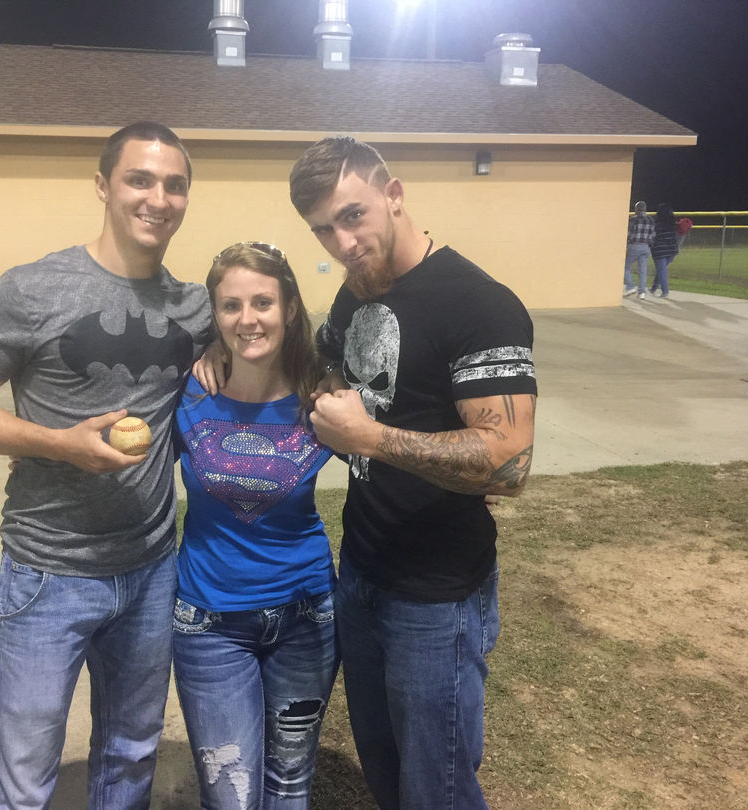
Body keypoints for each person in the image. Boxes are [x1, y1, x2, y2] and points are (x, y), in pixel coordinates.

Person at [0, 121, 211, 810]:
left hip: (150, 569)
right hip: (48, 570)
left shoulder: (195, 308)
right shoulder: (35, 289)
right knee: (25, 772)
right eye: (139, 180)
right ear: (103, 186)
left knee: (131, 753)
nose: (158, 198)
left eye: (174, 185)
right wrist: (59, 443)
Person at [291, 137, 536, 809]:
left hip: (437, 595)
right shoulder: (358, 292)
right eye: (323, 229)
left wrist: (369, 438)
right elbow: (325, 356)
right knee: (384, 767)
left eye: (353, 216)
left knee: (437, 787)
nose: (342, 242)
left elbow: (509, 462)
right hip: (361, 569)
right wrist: (329, 384)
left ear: (393, 194)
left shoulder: (479, 303)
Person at [173, 242, 338, 809]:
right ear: (215, 316)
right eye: (231, 306)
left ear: (289, 308)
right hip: (209, 624)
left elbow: (388, 449)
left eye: (263, 302)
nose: (248, 319)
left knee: (290, 783)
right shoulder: (189, 391)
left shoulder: (323, 397)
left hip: (307, 617)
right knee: (231, 795)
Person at [624, 200, 654, 298]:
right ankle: (642, 292)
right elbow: (653, 234)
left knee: (625, 266)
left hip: (634, 245)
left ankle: (630, 286)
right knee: (643, 270)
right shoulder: (650, 219)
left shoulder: (633, 219)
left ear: (636, 209)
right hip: (646, 246)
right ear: (645, 209)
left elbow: (628, 234)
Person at [649, 203, 679, 298]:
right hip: (672, 250)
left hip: (659, 250)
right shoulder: (673, 224)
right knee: (661, 270)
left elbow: (652, 236)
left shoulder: (656, 224)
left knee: (661, 271)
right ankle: (654, 288)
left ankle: (665, 291)